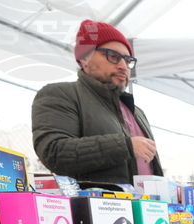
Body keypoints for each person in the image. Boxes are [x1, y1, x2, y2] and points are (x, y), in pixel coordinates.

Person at [31, 20, 163, 183]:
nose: (123, 66)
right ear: (84, 59)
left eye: (128, 61)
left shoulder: (137, 112)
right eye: (113, 56)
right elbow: (54, 152)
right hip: (95, 207)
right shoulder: (62, 94)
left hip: (146, 207)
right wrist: (125, 146)